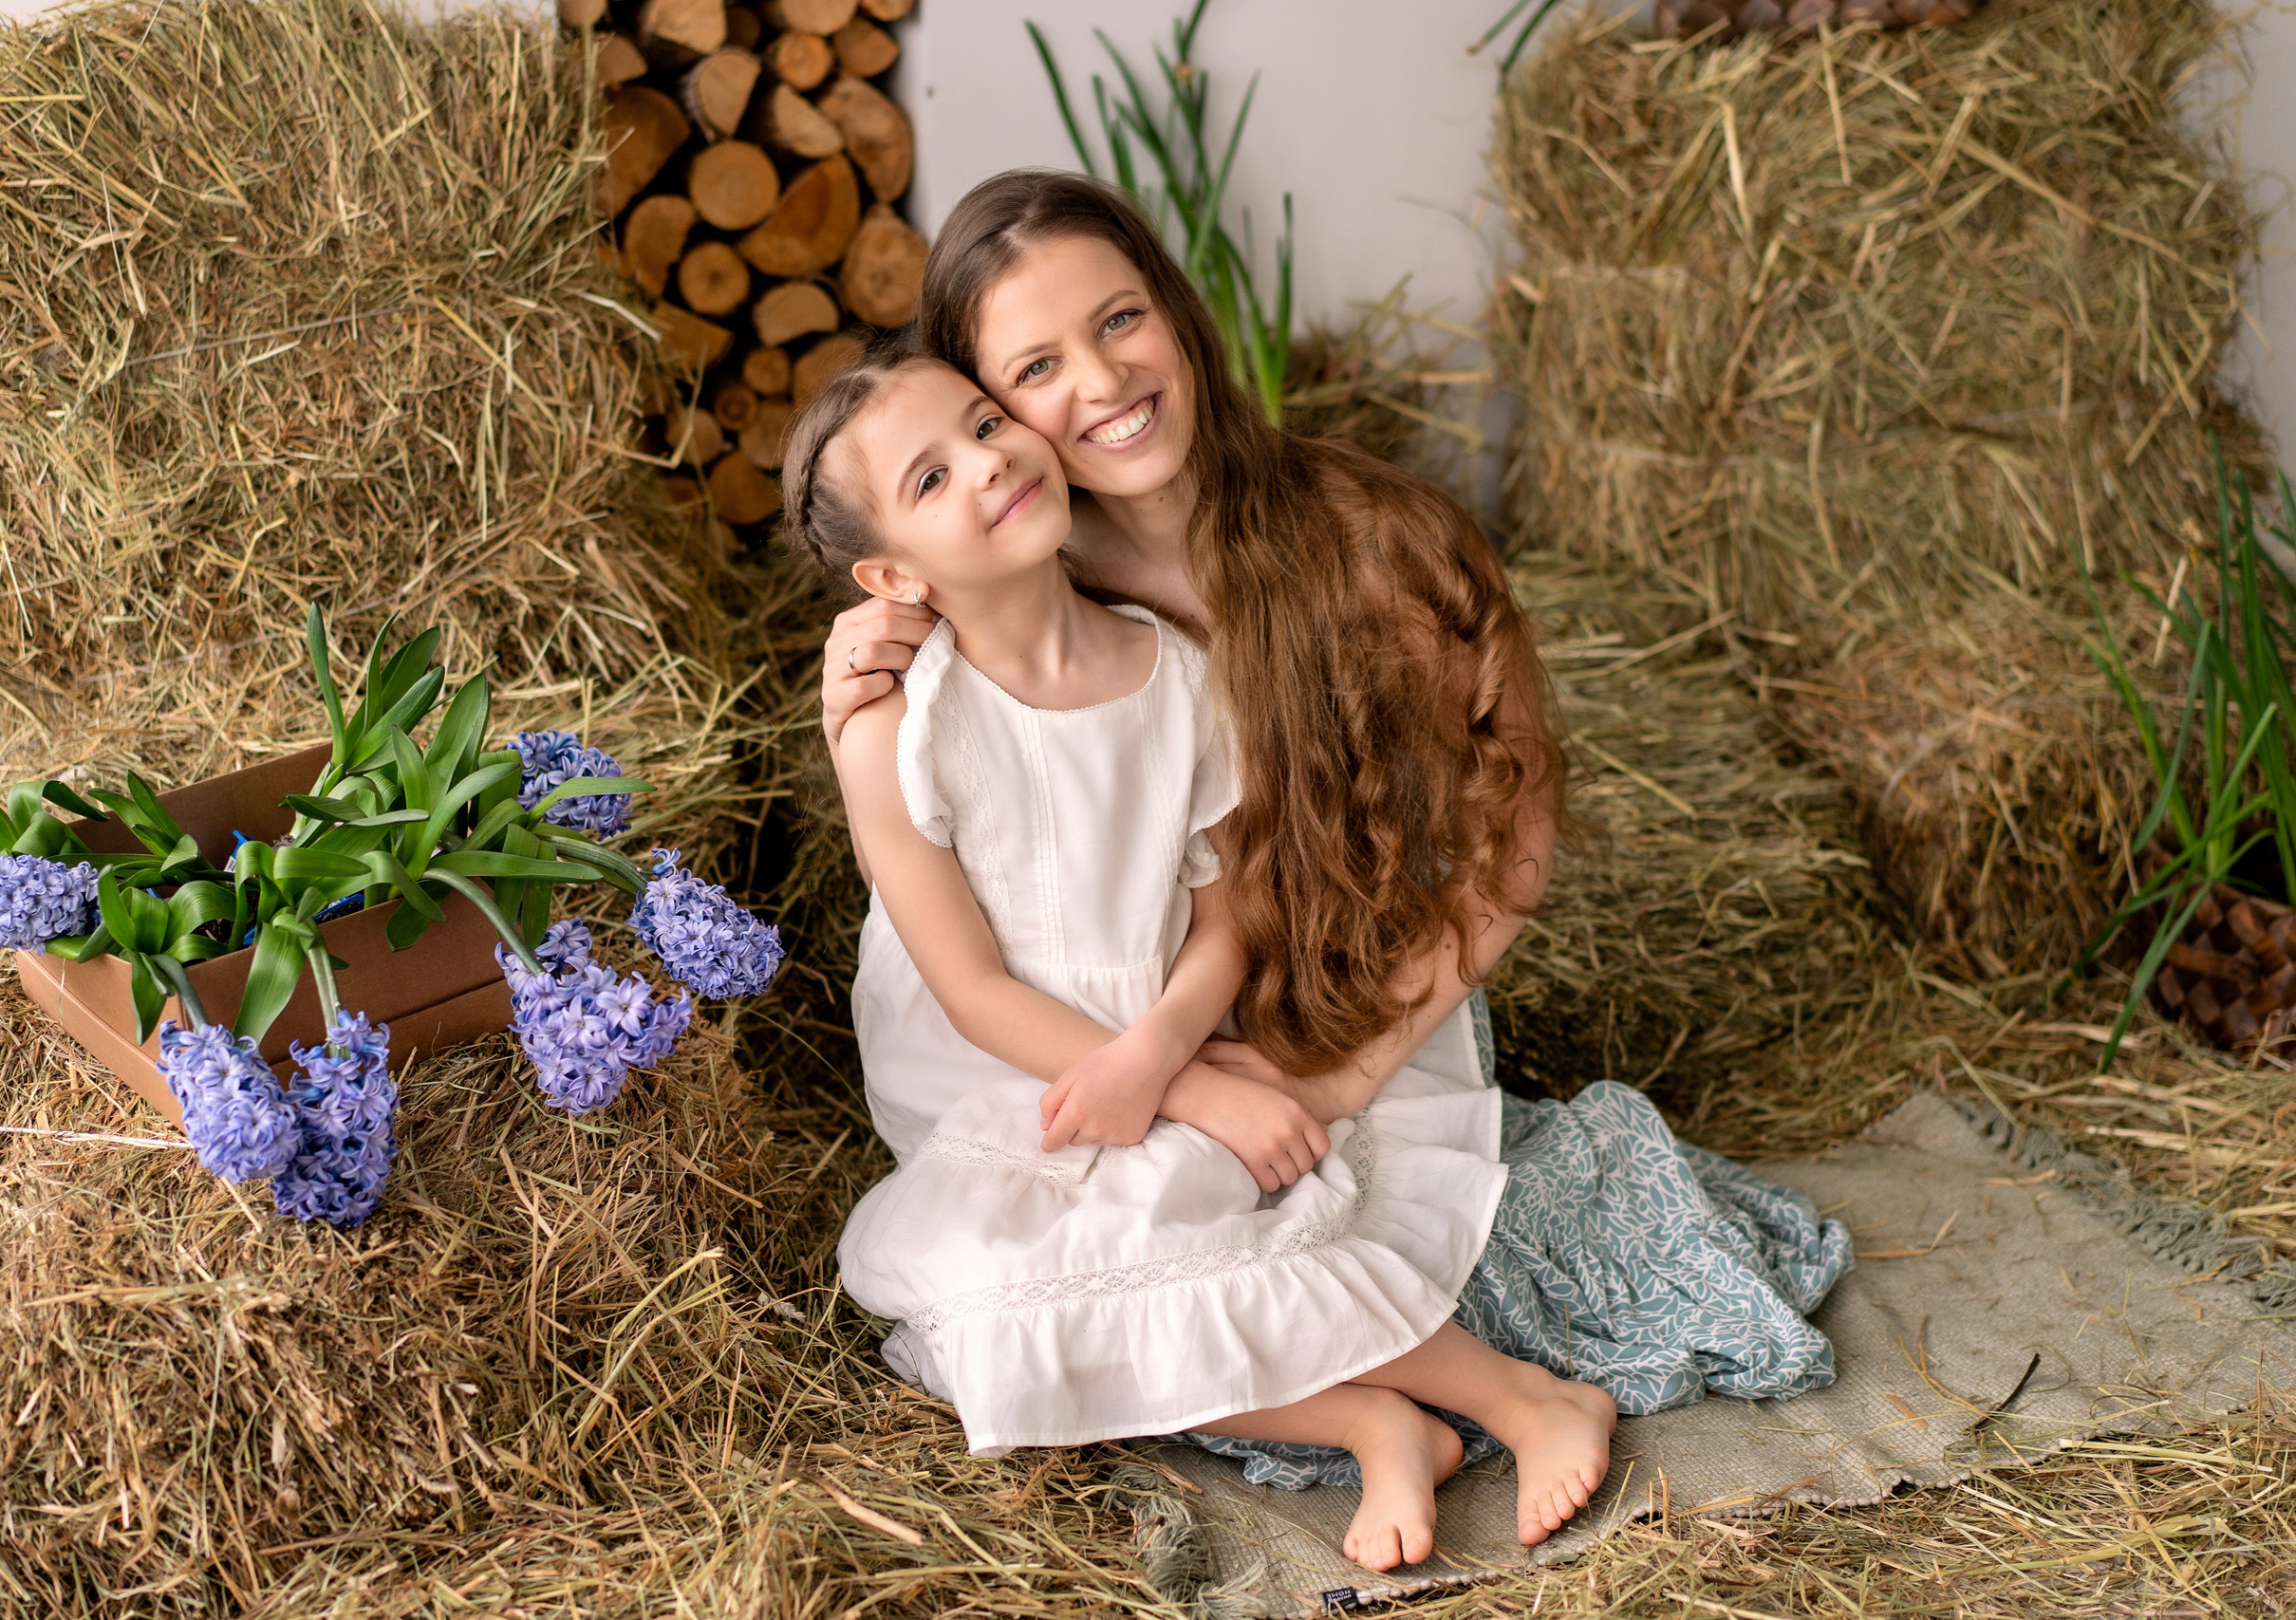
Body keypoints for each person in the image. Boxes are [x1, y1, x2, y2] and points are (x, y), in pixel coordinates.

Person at [818, 171, 1854, 1565]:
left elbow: (1512, 838)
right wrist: (859, 663)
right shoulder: (1019, 588)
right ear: (989, 402)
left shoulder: (1367, 546)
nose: (1103, 384)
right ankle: (1376, 1409)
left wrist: (1345, 1069)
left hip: (1348, 994)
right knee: (1072, 1308)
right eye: (1033, 371)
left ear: (1178, 317)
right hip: (1110, 1035)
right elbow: (950, 782)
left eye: (1123, 320)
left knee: (1301, 1249)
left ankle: (1467, 1387)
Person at [788, 342, 1618, 1571]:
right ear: (891, 574)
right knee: (990, 1318)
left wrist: (1177, 1050)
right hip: (1004, 1077)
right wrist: (1176, 1088)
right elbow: (968, 989)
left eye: (982, 422)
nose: (988, 460)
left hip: (1171, 1020)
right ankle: (1374, 1421)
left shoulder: (1173, 672)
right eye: (930, 477)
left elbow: (1229, 906)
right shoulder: (900, 729)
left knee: (1215, 1217)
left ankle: (1521, 1397)